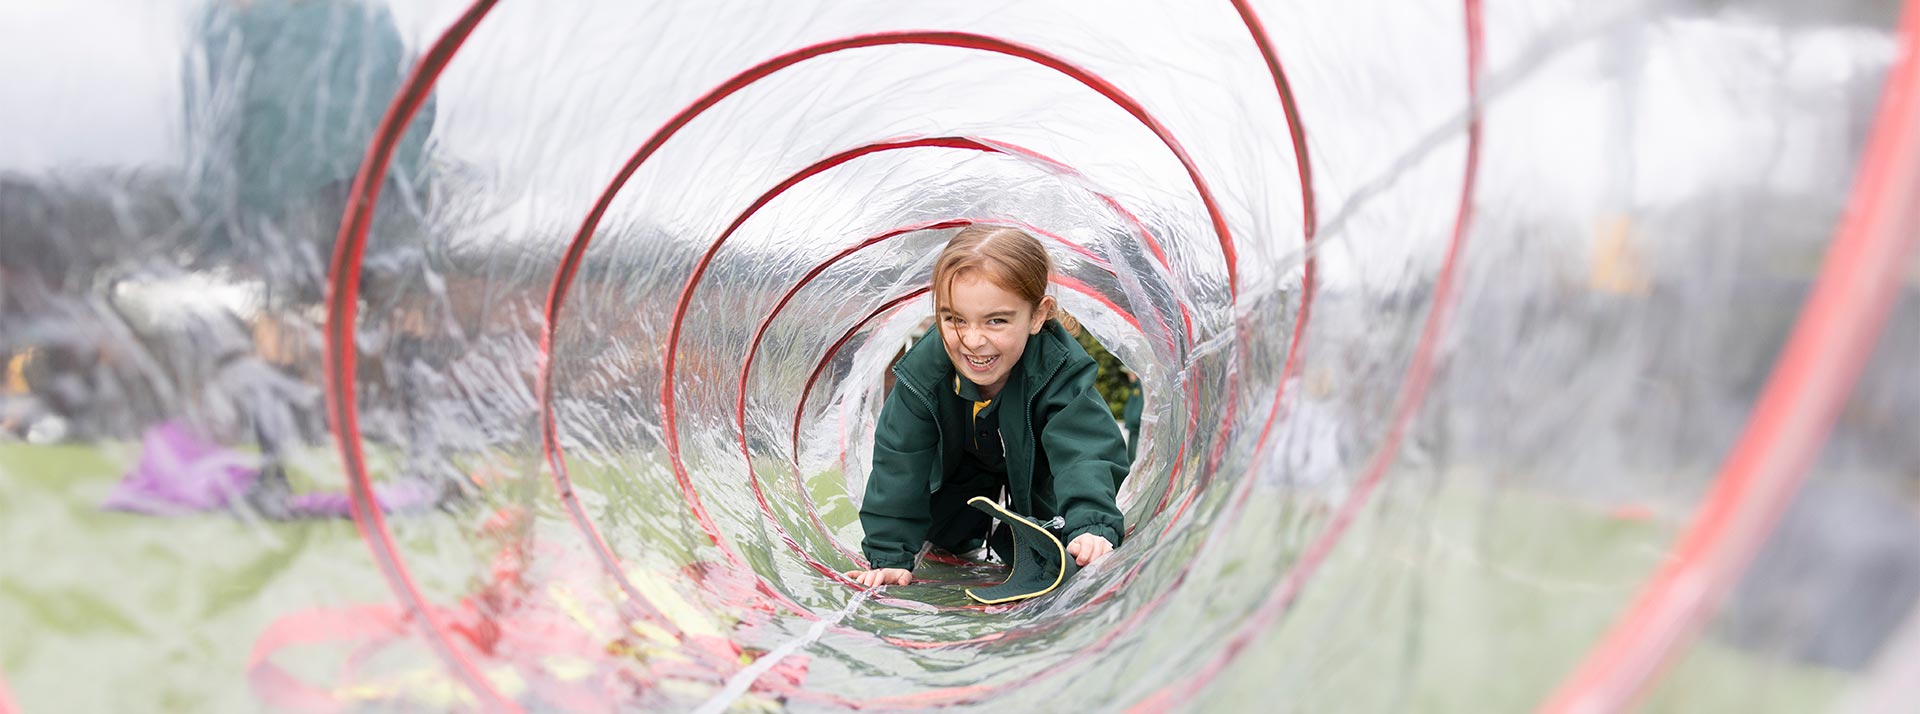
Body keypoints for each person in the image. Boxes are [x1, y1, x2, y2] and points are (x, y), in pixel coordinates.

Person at [845, 225, 1129, 594]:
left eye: (996, 320)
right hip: (958, 468)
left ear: (1037, 315)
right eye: (955, 319)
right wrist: (889, 557)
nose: (974, 340)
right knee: (946, 531)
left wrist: (1091, 524)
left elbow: (1085, 449)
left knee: (1048, 540)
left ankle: (1048, 530)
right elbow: (900, 461)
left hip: (1038, 465)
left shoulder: (1058, 369)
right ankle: (956, 535)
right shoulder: (924, 374)